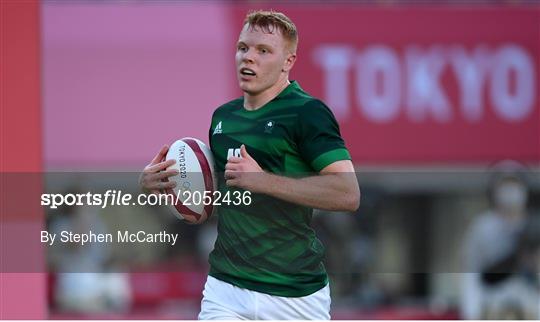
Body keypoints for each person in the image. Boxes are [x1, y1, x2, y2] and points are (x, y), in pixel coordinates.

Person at [140, 10, 360, 320]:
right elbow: (216, 203)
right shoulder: (223, 118)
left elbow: (348, 193)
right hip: (225, 289)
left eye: (263, 51)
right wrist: (162, 186)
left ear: (288, 61)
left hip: (295, 295)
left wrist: (263, 180)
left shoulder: (307, 113)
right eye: (243, 48)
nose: (248, 58)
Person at [461, 168, 539, 319]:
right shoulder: (482, 227)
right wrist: (472, 310)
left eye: (514, 185)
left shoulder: (534, 225)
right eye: (505, 186)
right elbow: (471, 271)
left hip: (530, 304)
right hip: (493, 303)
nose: (510, 192)